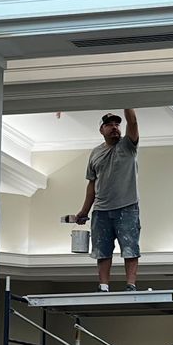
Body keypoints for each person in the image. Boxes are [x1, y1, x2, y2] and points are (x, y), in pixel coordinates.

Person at [72, 109, 140, 291]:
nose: (115, 128)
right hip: (101, 210)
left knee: (130, 248)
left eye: (117, 124)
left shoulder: (128, 145)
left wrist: (126, 100)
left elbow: (132, 123)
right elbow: (91, 184)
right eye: (109, 125)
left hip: (127, 207)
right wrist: (84, 211)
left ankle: (130, 285)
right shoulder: (95, 153)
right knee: (102, 250)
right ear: (101, 130)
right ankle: (103, 286)